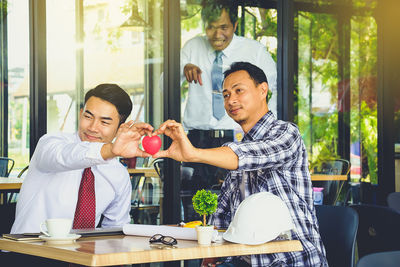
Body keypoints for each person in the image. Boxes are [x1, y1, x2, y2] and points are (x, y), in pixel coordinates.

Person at [154, 62, 327, 266]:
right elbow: (222, 212)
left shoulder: (286, 133)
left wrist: (193, 153)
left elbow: (251, 156)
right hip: (247, 261)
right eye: (226, 95)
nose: (231, 100)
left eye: (239, 91)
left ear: (263, 90)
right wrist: (211, 254)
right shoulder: (237, 152)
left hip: (293, 259)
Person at [11, 84, 153, 234]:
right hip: (28, 250)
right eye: (88, 116)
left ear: (120, 127)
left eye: (104, 122)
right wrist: (111, 150)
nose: (92, 127)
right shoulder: (51, 143)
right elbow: (67, 156)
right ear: (80, 114)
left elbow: (116, 229)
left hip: (82, 255)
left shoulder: (118, 175)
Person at [180, 0, 277, 196]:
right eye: (211, 27)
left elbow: (271, 93)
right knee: (194, 204)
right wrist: (181, 70)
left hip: (238, 138)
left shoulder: (255, 51)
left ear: (234, 25)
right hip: (198, 139)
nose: (217, 35)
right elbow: (162, 87)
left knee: (238, 200)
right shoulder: (192, 47)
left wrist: (263, 138)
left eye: (223, 27)